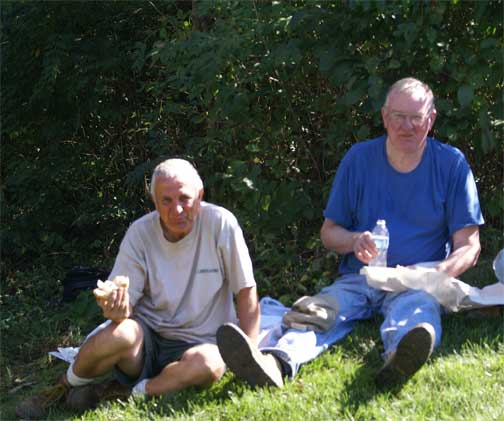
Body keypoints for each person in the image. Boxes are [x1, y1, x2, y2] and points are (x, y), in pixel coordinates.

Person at [216, 77, 484, 389]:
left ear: (431, 119)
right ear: (385, 117)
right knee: (318, 312)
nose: (407, 126)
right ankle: (276, 362)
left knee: (417, 313)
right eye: (399, 116)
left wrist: (437, 274)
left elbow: (470, 245)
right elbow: (329, 233)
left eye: (416, 117)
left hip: (416, 281)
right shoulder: (359, 159)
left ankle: (399, 358)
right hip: (360, 278)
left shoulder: (451, 164)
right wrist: (355, 240)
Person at [16, 158, 260, 419]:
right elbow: (122, 303)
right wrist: (115, 309)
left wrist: (250, 355)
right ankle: (61, 388)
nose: (177, 209)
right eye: (166, 201)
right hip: (148, 338)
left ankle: (125, 393)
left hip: (203, 341)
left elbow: (245, 290)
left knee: (208, 366)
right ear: (154, 202)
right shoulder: (140, 233)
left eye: (184, 198)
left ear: (200, 195)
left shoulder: (220, 223)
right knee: (114, 335)